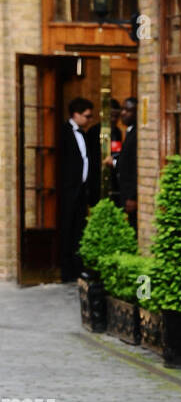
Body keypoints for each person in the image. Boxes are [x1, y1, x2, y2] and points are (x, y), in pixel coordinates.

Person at [59, 97, 98, 281]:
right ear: (76, 114)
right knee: (67, 229)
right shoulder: (64, 132)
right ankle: (66, 270)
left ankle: (77, 267)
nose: (89, 119)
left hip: (82, 190)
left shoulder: (83, 133)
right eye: (87, 116)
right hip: (68, 191)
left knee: (79, 230)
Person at [116, 97, 138, 231]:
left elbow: (137, 167)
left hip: (131, 195)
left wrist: (132, 197)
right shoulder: (129, 131)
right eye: (123, 109)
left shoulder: (137, 134)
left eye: (128, 110)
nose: (123, 113)